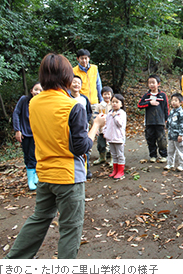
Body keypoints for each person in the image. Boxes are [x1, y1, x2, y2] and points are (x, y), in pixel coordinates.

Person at [4, 53, 105, 259]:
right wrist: (95, 126)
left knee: (39, 218)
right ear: (68, 77)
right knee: (70, 228)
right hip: (68, 177)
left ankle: (12, 263)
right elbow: (81, 147)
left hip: (44, 174)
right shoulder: (72, 106)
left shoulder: (34, 103)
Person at [12, 82, 43, 190]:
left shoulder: (43, 102)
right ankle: (30, 179)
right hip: (26, 133)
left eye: (40, 90)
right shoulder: (24, 100)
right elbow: (16, 113)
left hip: (38, 133)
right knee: (28, 155)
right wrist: (17, 130)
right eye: (36, 89)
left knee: (37, 155)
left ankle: (35, 176)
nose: (38, 92)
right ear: (31, 91)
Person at [137, 75, 169, 163]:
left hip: (160, 121)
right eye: (149, 83)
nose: (151, 84)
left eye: (153, 82)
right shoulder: (146, 95)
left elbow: (166, 108)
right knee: (150, 139)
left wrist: (167, 120)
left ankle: (163, 155)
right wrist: (149, 103)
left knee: (161, 139)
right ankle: (153, 155)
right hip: (149, 122)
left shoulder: (162, 95)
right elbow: (139, 105)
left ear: (158, 84)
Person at [69, 75, 93, 179]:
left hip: (84, 128)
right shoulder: (67, 98)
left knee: (85, 149)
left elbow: (89, 112)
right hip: (71, 130)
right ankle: (76, 170)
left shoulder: (84, 99)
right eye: (74, 82)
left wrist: (84, 122)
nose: (76, 84)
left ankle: (86, 170)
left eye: (78, 83)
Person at [104, 94, 127, 180]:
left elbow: (120, 124)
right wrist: (105, 132)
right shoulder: (110, 113)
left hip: (119, 138)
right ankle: (115, 170)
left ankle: (121, 171)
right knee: (113, 154)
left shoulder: (122, 113)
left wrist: (115, 116)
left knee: (120, 154)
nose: (114, 104)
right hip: (110, 138)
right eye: (113, 102)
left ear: (121, 104)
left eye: (117, 102)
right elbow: (107, 124)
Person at [164, 93, 183, 172]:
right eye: (172, 100)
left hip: (178, 136)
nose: (173, 102)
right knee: (170, 150)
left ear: (181, 102)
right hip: (171, 135)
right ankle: (170, 164)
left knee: (181, 151)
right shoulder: (172, 112)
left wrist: (181, 134)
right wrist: (167, 127)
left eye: (176, 100)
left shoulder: (181, 113)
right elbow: (169, 120)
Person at [93, 86, 113, 166]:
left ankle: (112, 158)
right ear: (102, 95)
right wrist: (96, 127)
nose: (107, 96)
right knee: (101, 144)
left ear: (111, 95)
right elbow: (95, 116)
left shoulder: (113, 104)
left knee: (111, 144)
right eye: (105, 94)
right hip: (102, 129)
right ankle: (102, 157)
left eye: (108, 94)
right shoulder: (99, 106)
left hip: (111, 129)